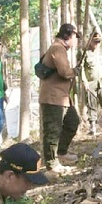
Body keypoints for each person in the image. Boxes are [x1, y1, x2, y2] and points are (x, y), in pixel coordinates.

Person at [39, 24, 81, 171]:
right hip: (53, 98)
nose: (75, 41)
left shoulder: (58, 48)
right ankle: (51, 163)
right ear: (68, 36)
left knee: (72, 122)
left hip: (61, 97)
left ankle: (61, 152)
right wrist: (75, 71)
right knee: (53, 131)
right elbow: (64, 72)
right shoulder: (58, 48)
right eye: (75, 37)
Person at [82, 31, 102, 136]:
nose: (97, 43)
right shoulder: (85, 53)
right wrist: (84, 81)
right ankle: (92, 126)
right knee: (91, 104)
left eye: (98, 41)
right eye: (95, 41)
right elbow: (81, 68)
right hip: (91, 82)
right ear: (90, 41)